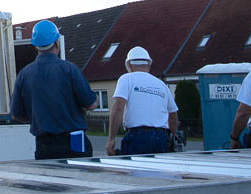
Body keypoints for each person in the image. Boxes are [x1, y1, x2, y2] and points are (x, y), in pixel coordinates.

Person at [11, 20, 98, 159]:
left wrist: (39, 118)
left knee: (50, 173)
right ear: (57, 43)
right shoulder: (69, 69)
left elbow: (16, 114)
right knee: (79, 172)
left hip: (44, 145)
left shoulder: (24, 74)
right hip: (74, 140)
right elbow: (91, 104)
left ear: (35, 46)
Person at [105, 46, 179, 156]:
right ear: (149, 64)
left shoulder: (127, 79)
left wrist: (111, 139)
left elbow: (118, 108)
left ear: (129, 65)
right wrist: (174, 136)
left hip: (138, 137)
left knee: (136, 167)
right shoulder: (161, 85)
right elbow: (173, 116)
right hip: (161, 138)